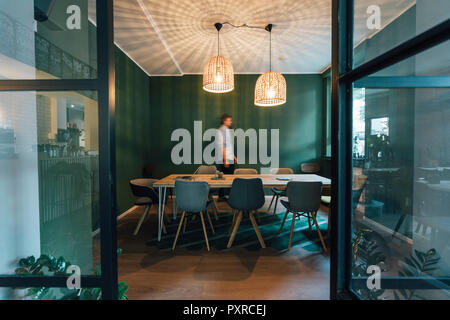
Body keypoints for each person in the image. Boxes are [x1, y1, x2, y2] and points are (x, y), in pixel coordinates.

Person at [216, 114, 237, 201]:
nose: (231, 122)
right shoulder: (222, 130)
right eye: (229, 120)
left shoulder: (226, 130)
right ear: (224, 121)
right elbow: (223, 146)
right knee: (227, 178)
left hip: (229, 157)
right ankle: (223, 196)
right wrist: (225, 160)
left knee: (228, 177)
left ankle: (224, 196)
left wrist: (233, 156)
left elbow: (228, 146)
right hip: (226, 159)